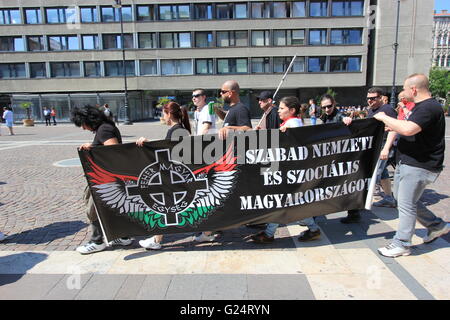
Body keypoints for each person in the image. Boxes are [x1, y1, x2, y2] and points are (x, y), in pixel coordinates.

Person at [373, 74, 449, 257]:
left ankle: (402, 243)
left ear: (414, 89)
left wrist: (384, 117)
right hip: (408, 162)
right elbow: (408, 127)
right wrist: (392, 127)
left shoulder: (429, 107)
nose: (403, 93)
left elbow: (408, 129)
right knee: (404, 200)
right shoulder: (422, 108)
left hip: (419, 164)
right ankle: (436, 226)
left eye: (406, 89)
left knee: (406, 204)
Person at [250, 96, 321, 244]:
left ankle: (269, 234)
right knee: (291, 204)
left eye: (282, 108)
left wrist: (286, 131)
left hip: (290, 173)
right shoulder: (290, 123)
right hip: (289, 173)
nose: (279, 111)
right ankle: (313, 229)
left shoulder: (293, 124)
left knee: (282, 203)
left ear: (292, 110)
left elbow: (293, 139)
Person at [71, 105, 133, 254]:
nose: (83, 128)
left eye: (83, 124)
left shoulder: (104, 130)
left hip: (104, 179)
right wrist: (92, 146)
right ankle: (122, 236)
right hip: (108, 177)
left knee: (94, 209)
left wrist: (93, 148)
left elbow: (113, 152)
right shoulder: (105, 128)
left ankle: (97, 241)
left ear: (88, 120)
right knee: (112, 208)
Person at [137, 102, 191, 250]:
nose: (162, 117)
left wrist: (149, 145)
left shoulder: (177, 131)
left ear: (169, 114)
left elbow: (169, 153)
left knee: (165, 208)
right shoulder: (179, 130)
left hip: (175, 177)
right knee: (166, 208)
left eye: (163, 113)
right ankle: (156, 239)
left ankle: (156, 240)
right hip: (176, 176)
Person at [319, 95, 362, 223]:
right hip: (333, 158)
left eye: (329, 106)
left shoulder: (339, 116)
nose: (326, 109)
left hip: (343, 159)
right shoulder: (326, 117)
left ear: (334, 104)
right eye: (324, 107)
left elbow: (347, 123)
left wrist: (347, 120)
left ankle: (354, 213)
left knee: (346, 186)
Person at [364, 87, 398, 208]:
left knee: (375, 174)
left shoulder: (387, 109)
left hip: (382, 146)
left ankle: (362, 200)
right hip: (375, 145)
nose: (369, 101)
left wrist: (386, 149)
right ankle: (389, 198)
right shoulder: (371, 110)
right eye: (368, 98)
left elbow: (394, 129)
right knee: (383, 173)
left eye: (373, 98)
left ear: (380, 98)